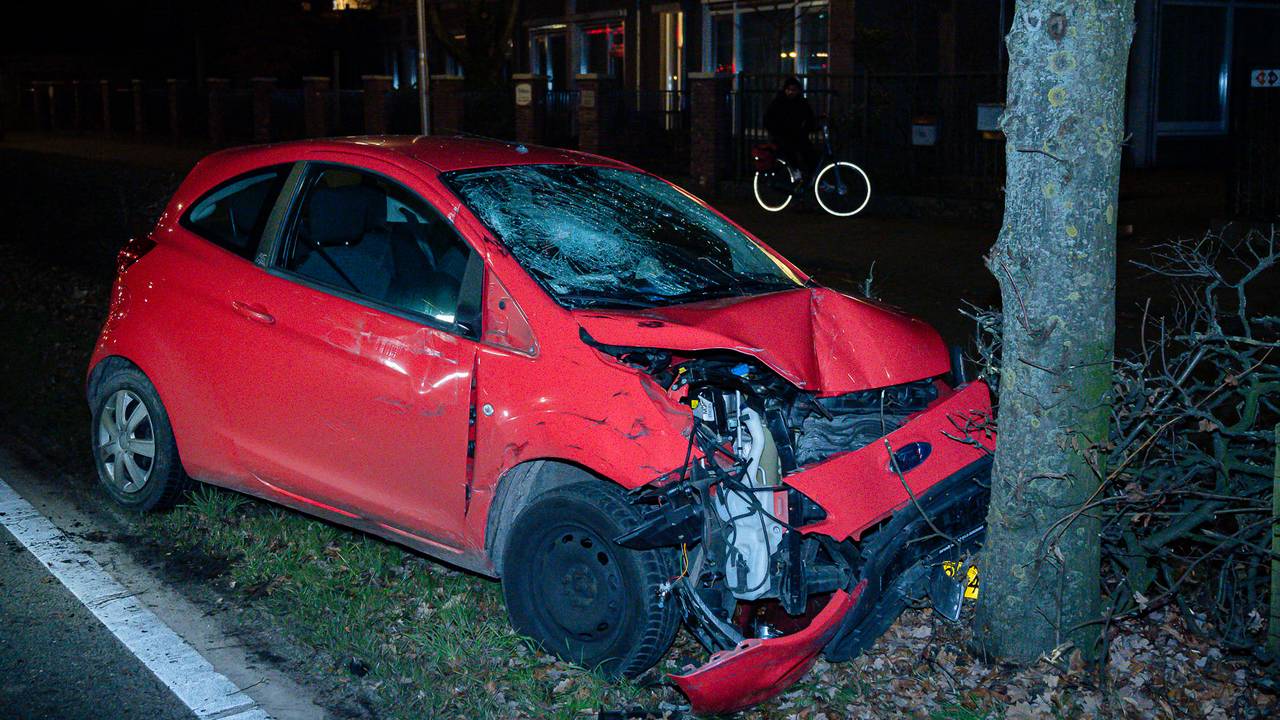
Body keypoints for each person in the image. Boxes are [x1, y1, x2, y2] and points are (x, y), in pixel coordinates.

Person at [763, 77, 817, 179]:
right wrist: (776, 131)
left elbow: (810, 118)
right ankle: (796, 173)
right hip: (782, 135)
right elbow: (768, 119)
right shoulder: (778, 102)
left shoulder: (802, 102)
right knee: (789, 150)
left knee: (810, 153)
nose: (791, 92)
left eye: (793, 90)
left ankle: (813, 176)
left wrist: (807, 129)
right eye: (788, 89)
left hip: (797, 135)